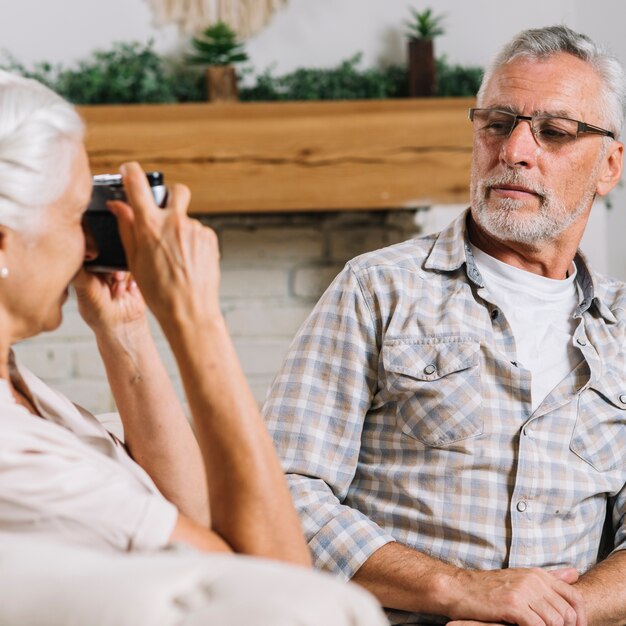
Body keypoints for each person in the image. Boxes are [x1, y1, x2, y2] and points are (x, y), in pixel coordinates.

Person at [263, 24, 626, 626]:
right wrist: (457, 590)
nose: (514, 151)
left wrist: (554, 613)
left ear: (609, 165)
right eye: (497, 123)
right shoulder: (376, 287)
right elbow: (280, 492)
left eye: (555, 132)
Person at [0, 70, 387, 625]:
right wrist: (195, 318)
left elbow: (190, 512)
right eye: (72, 216)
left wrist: (126, 328)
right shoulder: (16, 453)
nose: (89, 245)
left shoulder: (21, 387)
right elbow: (282, 588)